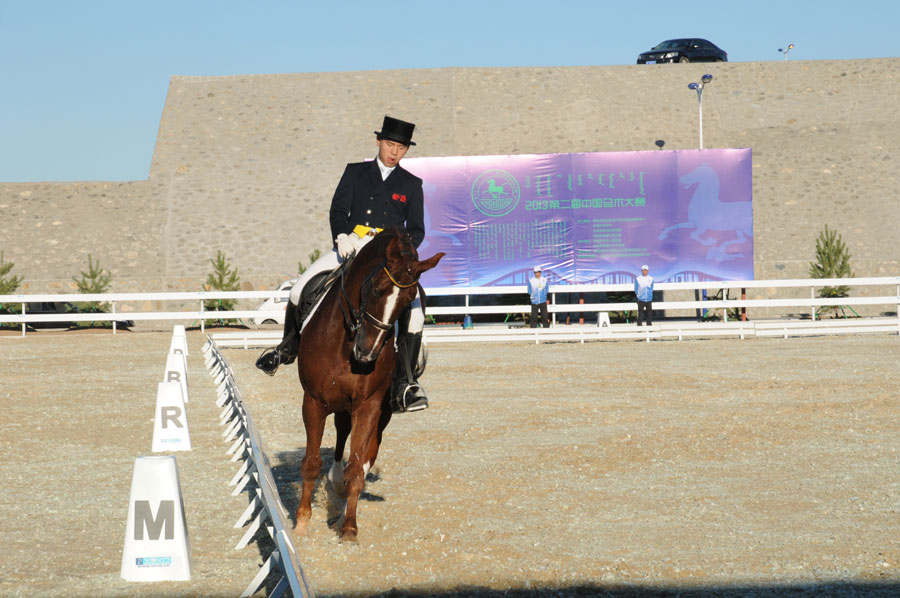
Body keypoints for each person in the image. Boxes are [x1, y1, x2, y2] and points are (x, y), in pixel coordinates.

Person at [255, 115, 429, 413]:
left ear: (406, 151)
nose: (394, 151)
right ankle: (286, 348)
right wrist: (342, 236)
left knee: (416, 316)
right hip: (352, 246)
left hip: (387, 258)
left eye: (400, 147)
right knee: (299, 289)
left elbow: (417, 229)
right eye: (389, 144)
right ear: (378, 142)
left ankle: (406, 383)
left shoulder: (411, 184)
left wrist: (401, 250)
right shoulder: (355, 173)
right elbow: (338, 209)